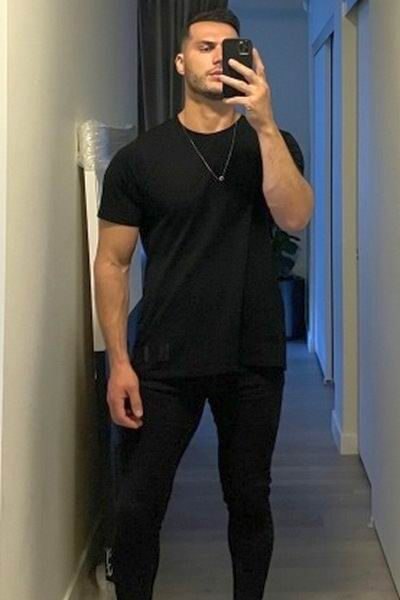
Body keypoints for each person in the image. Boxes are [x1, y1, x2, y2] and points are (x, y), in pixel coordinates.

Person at [94, 7, 314, 600]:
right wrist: (118, 362)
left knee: (249, 500)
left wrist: (264, 124)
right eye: (204, 46)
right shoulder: (140, 160)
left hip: (252, 355)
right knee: (138, 505)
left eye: (229, 47)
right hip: (164, 357)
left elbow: (295, 216)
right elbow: (111, 263)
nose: (218, 56)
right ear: (180, 61)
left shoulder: (273, 143)